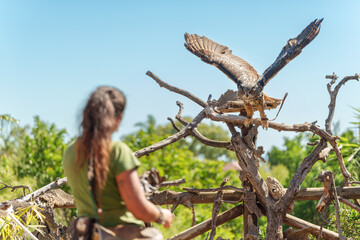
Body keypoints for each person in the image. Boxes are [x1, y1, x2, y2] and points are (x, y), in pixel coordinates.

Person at [63, 86, 173, 239]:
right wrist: (162, 215)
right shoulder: (117, 151)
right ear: (118, 119)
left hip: (85, 235)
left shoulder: (70, 152)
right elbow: (138, 208)